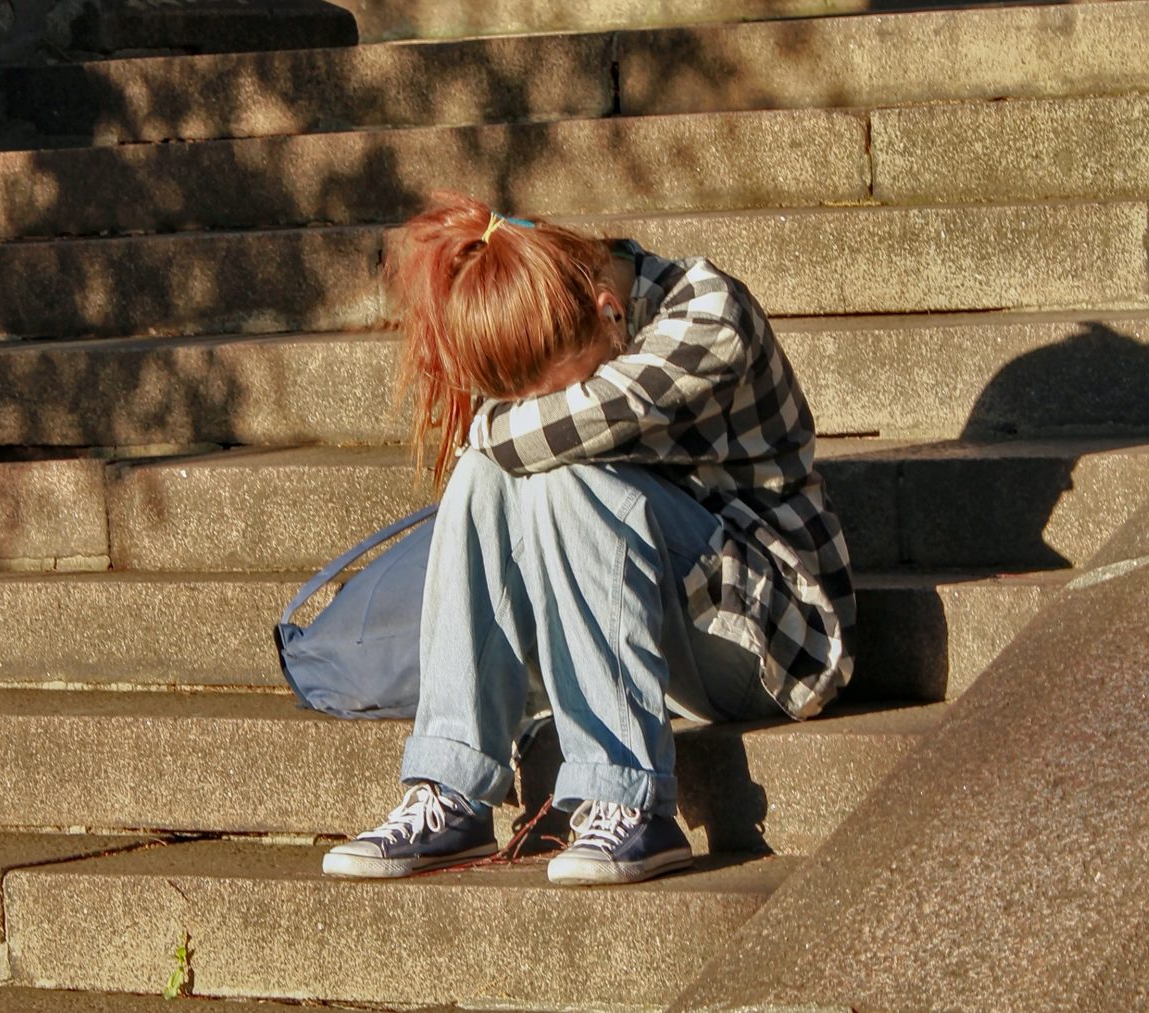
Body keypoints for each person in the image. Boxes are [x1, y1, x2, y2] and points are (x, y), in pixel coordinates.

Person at [322, 193, 855, 886]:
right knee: (496, 476)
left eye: (558, 388)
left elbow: (528, 436)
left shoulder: (707, 314)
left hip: (774, 637)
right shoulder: (577, 320)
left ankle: (628, 801)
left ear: (609, 308)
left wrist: (491, 428)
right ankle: (451, 784)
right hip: (660, 631)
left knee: (554, 470)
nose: (542, 406)